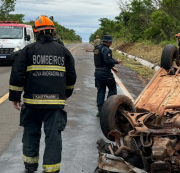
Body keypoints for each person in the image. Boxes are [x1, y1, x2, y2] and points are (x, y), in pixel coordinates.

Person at [8, 15, 77, 173]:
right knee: (53, 137)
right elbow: (71, 76)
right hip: (55, 104)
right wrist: (66, 93)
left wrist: (14, 97)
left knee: (31, 134)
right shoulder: (63, 51)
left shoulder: (28, 50)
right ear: (53, 31)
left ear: (36, 32)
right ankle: (51, 170)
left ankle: (30, 167)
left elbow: (17, 75)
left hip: (32, 104)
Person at [94, 35, 121, 117]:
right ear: (108, 42)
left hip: (98, 72)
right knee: (112, 89)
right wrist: (116, 61)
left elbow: (102, 61)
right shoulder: (106, 49)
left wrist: (112, 68)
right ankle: (108, 108)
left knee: (101, 90)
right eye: (110, 42)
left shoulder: (97, 48)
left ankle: (100, 110)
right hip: (105, 73)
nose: (111, 43)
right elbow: (107, 60)